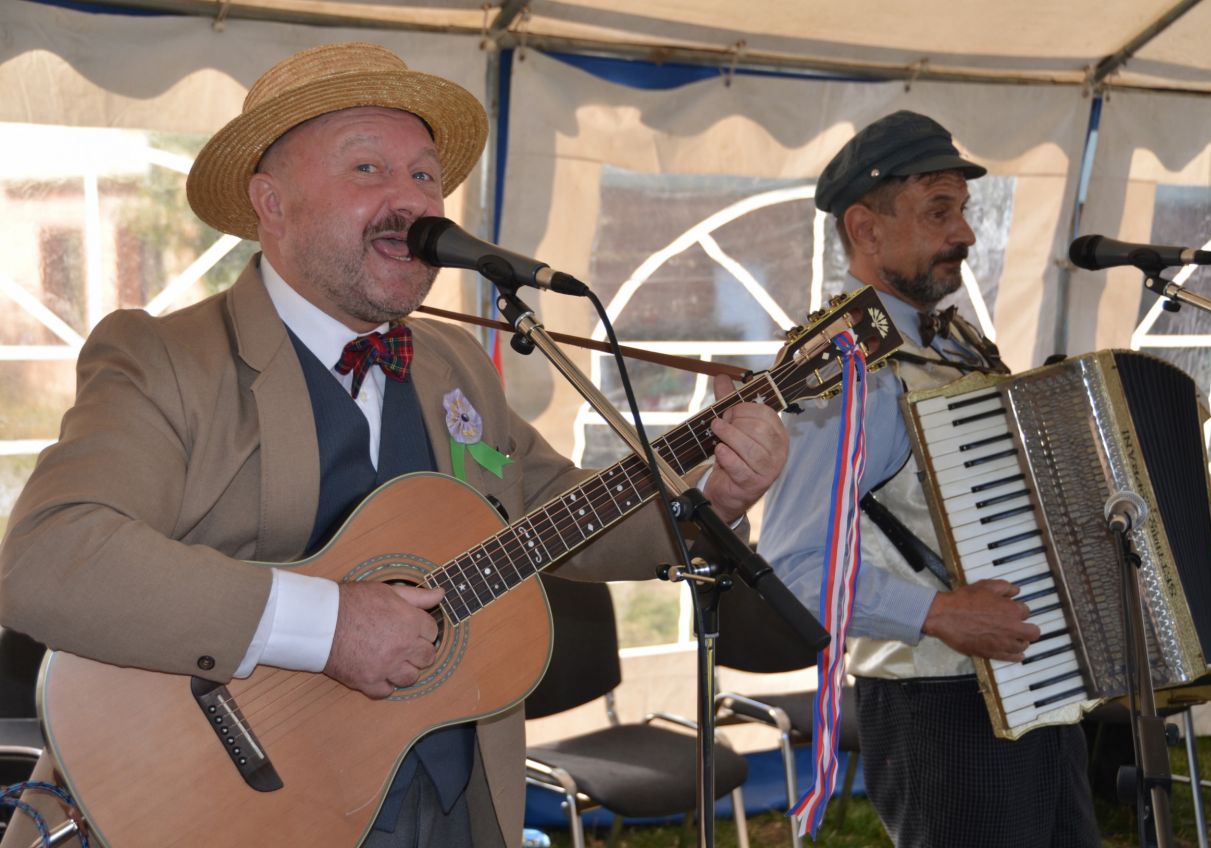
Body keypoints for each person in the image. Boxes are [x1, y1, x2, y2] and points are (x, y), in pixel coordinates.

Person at [0, 42, 788, 848]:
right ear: (271, 202)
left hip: (458, 804)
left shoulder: (455, 366)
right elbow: (50, 557)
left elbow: (558, 512)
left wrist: (708, 497)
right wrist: (328, 624)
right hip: (226, 810)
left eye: (424, 175)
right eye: (367, 168)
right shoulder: (165, 359)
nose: (412, 201)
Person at [757, 110, 1211, 847]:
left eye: (963, 210)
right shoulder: (839, 370)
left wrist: (1172, 538)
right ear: (865, 228)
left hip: (1039, 685)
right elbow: (788, 569)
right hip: (938, 706)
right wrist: (938, 614)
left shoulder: (958, 345)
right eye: (939, 211)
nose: (965, 233)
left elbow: (1028, 517)